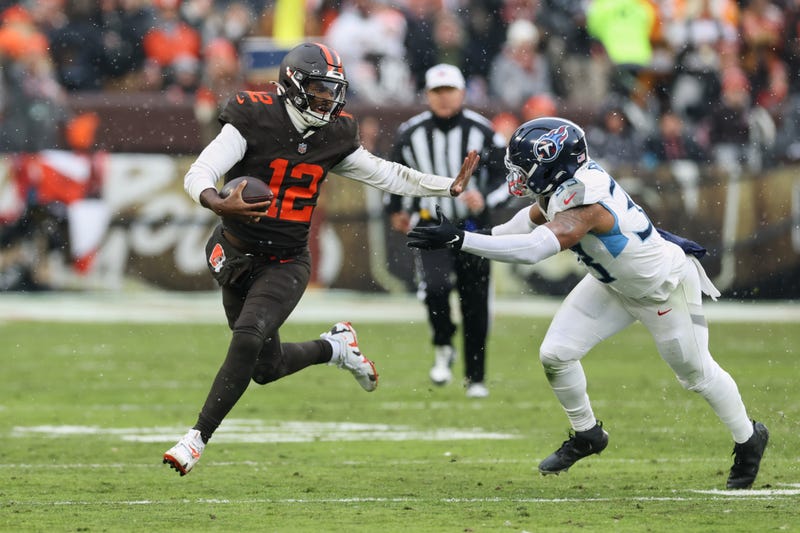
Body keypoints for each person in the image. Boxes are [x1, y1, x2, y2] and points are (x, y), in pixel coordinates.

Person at [163, 42, 479, 476]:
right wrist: (217, 201)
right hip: (235, 251)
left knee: (249, 335)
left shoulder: (335, 134)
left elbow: (388, 174)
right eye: (318, 89)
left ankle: (195, 438)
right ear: (293, 85)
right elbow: (199, 172)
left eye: (333, 90)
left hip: (286, 260)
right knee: (265, 368)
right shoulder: (252, 115)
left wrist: (448, 186)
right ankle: (337, 347)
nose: (328, 99)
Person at [406, 116, 768, 489]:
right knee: (556, 354)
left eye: (523, 167)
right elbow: (529, 220)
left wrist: (462, 242)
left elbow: (534, 250)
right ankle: (588, 434)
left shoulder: (586, 200)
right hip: (611, 285)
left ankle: (748, 437)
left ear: (552, 164)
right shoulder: (560, 185)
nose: (516, 176)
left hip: (662, 290)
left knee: (696, 374)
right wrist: (473, 235)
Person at [386, 64, 508, 398]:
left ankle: (476, 377)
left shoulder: (482, 131)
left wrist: (484, 198)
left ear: (462, 93)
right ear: (427, 95)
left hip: (473, 228)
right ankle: (443, 344)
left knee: (475, 302)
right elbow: (393, 174)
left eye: (449, 90)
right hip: (431, 224)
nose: (443, 98)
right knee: (435, 288)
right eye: (437, 92)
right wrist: (395, 209)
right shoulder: (410, 132)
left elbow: (506, 178)